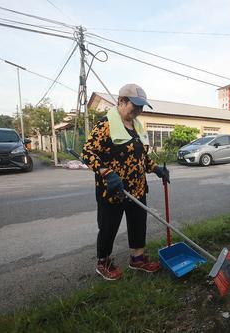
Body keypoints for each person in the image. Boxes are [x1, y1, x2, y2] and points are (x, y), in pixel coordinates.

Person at [82, 83, 170, 280]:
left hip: (137, 187)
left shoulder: (137, 126)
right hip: (113, 189)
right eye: (135, 106)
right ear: (121, 101)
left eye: (141, 107)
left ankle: (137, 259)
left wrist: (156, 168)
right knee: (108, 227)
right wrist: (105, 172)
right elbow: (87, 153)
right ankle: (103, 262)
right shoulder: (105, 125)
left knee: (138, 224)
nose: (138, 110)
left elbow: (141, 157)